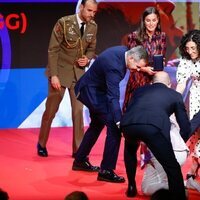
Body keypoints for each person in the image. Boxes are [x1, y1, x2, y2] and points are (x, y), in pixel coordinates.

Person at [72, 45, 149, 183]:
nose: (137, 70)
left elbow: (110, 93)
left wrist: (144, 68)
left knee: (96, 125)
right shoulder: (115, 67)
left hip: (94, 89)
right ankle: (106, 171)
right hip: (91, 92)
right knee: (114, 128)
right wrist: (119, 120)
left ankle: (80, 159)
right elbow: (113, 97)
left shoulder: (125, 52)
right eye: (137, 67)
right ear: (131, 58)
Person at [37, 0, 98, 157]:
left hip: (78, 76)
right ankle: (41, 143)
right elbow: (53, 50)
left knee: (78, 112)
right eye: (89, 10)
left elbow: (91, 49)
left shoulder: (93, 26)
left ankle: (78, 150)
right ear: (81, 7)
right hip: (60, 73)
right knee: (51, 111)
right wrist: (54, 75)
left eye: (94, 12)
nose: (92, 14)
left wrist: (87, 58)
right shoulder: (64, 23)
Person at [121, 71, 191, 199]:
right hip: (154, 128)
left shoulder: (139, 91)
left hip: (128, 125)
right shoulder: (175, 95)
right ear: (169, 84)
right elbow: (185, 126)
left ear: (152, 82)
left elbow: (131, 108)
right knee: (172, 167)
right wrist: (181, 141)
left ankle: (131, 186)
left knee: (130, 148)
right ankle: (179, 197)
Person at [141, 113, 200, 195]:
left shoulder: (149, 110)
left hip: (165, 152)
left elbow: (144, 138)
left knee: (146, 188)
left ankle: (179, 191)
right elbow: (186, 128)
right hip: (181, 150)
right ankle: (186, 184)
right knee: (164, 179)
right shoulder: (170, 104)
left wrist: (145, 157)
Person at [123, 6, 166, 112]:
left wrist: (161, 64)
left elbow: (162, 56)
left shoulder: (162, 36)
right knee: (135, 110)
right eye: (148, 20)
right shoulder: (134, 36)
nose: (151, 24)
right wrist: (145, 69)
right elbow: (130, 62)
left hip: (155, 77)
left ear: (158, 20)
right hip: (138, 77)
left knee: (152, 111)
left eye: (154, 20)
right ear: (143, 21)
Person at [176, 29, 200, 190]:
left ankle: (192, 173)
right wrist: (174, 101)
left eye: (194, 48)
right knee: (196, 135)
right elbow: (181, 83)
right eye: (188, 48)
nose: (190, 51)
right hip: (196, 98)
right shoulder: (185, 60)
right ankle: (192, 173)